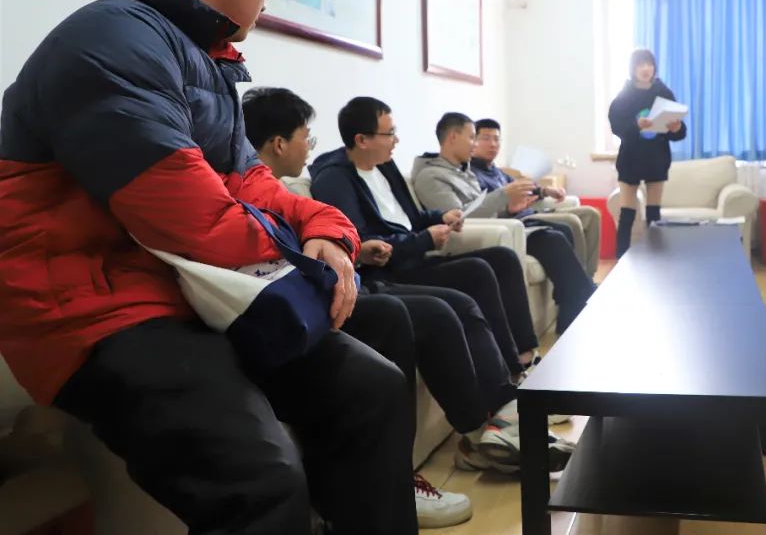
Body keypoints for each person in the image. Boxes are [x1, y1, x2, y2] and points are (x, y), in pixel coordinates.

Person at [0, 0, 415, 533]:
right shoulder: (110, 43)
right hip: (95, 312)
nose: (265, 0)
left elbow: (253, 184)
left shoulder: (203, 60)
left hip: (187, 292)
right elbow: (194, 221)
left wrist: (328, 230)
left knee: (373, 386)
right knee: (262, 480)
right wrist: (305, 257)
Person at [243, 88, 543, 520]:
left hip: (370, 273)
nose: (396, 140)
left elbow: (346, 229)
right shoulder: (323, 179)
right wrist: (377, 246)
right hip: (373, 277)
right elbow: (346, 240)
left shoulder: (369, 174)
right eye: (306, 137)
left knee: (480, 273)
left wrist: (432, 223)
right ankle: (456, 444)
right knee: (427, 310)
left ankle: (495, 406)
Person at [309, 97, 542, 376]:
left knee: (502, 258)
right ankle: (505, 376)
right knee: (477, 272)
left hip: (416, 258)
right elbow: (366, 245)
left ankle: (521, 358)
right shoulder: (335, 180)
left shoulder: (385, 167)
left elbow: (409, 218)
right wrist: (426, 239)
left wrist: (440, 217)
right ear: (362, 140)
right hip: (392, 271)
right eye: (390, 133)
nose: (396, 140)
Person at [412, 113, 595, 335]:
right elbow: (457, 218)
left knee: (558, 233)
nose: (475, 144)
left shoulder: (464, 171)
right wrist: (503, 196)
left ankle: (576, 303)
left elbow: (486, 208)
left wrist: (509, 208)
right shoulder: (431, 176)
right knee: (553, 238)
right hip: (485, 234)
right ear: (452, 137)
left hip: (503, 226)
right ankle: (579, 305)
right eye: (472, 137)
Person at [471, 117, 602, 277]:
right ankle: (580, 279)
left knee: (590, 214)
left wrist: (546, 191)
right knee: (571, 221)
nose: (493, 144)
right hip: (519, 220)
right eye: (486, 138)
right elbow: (485, 210)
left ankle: (589, 274)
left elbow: (525, 189)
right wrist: (508, 209)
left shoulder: (497, 172)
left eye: (496, 139)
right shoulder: (472, 175)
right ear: (473, 141)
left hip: (530, 212)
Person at [607, 48, 687, 258]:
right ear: (633, 68)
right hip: (630, 159)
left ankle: (655, 262)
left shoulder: (664, 92)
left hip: (656, 158)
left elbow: (679, 131)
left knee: (654, 215)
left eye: (649, 64)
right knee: (627, 215)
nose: (645, 69)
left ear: (654, 67)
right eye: (640, 64)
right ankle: (621, 261)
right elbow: (616, 127)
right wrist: (636, 125)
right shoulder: (624, 95)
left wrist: (677, 128)